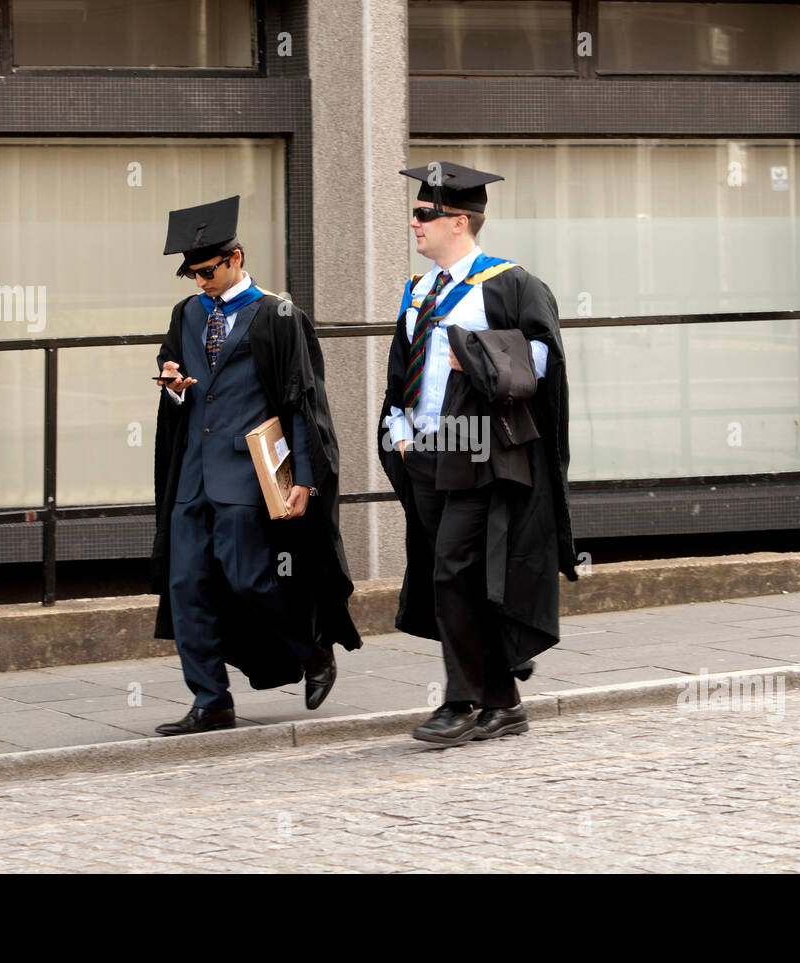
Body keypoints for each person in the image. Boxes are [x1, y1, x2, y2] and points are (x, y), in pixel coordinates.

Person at [377, 162, 576, 746]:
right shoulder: (418, 291)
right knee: (457, 578)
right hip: (425, 453)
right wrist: (398, 427)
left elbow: (543, 363)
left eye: (423, 215)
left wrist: (483, 361)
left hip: (480, 453)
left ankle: (460, 702)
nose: (414, 224)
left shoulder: (511, 284)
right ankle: (504, 702)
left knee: (451, 571)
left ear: (458, 221)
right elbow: (401, 371)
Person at [150, 195, 360, 735]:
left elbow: (304, 403)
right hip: (191, 473)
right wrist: (173, 383)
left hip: (249, 475)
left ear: (236, 258)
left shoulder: (278, 316)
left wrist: (307, 480)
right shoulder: (188, 313)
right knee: (185, 587)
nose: (200, 282)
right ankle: (210, 700)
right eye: (192, 274)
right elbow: (172, 367)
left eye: (207, 271)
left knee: (249, 579)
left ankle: (311, 650)